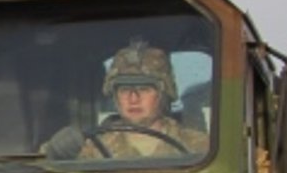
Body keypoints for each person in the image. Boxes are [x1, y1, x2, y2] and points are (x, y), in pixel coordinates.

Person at [43, 41, 207, 160]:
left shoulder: (199, 147)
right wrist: (55, 151)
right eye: (124, 90)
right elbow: (38, 167)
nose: (133, 98)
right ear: (115, 96)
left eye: (144, 89)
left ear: (163, 94)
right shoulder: (92, 147)